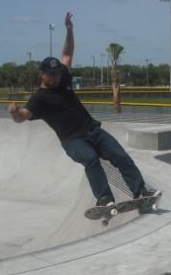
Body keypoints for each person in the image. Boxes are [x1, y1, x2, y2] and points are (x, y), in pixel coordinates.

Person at [8, 12, 158, 207]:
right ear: (42, 75)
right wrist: (13, 112)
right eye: (51, 75)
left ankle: (140, 191)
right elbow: (22, 117)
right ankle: (104, 199)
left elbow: (68, 53)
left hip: (93, 130)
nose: (56, 77)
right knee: (91, 159)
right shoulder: (39, 99)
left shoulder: (63, 77)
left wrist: (69, 29)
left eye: (57, 74)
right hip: (72, 140)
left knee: (120, 156)